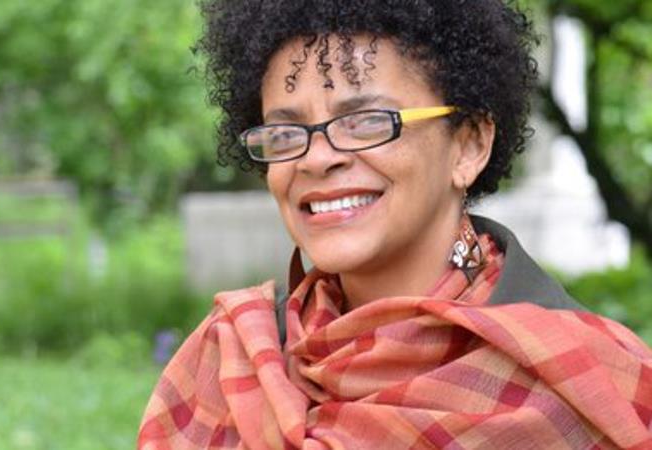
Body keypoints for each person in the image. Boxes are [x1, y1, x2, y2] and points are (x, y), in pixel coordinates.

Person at [138, 1, 652, 448]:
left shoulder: (591, 383)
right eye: (285, 132)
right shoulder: (228, 360)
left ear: (469, 145)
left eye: (365, 122)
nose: (317, 159)